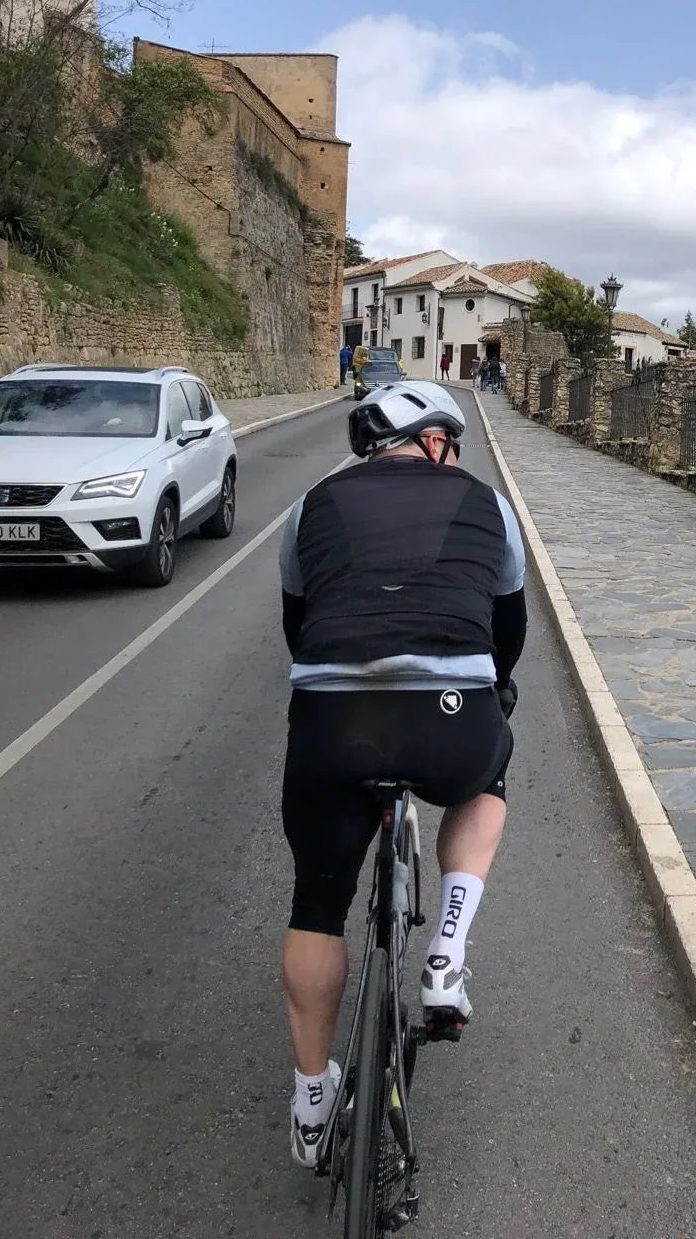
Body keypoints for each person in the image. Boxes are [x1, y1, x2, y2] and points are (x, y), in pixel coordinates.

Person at [277, 382, 527, 1168]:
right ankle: (448, 952)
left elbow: (297, 623)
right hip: (451, 715)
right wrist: (494, 693)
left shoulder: (309, 504)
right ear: (436, 440)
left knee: (318, 903)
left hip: (331, 722)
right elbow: (506, 633)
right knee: (487, 783)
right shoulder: (488, 505)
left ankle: (312, 1102)